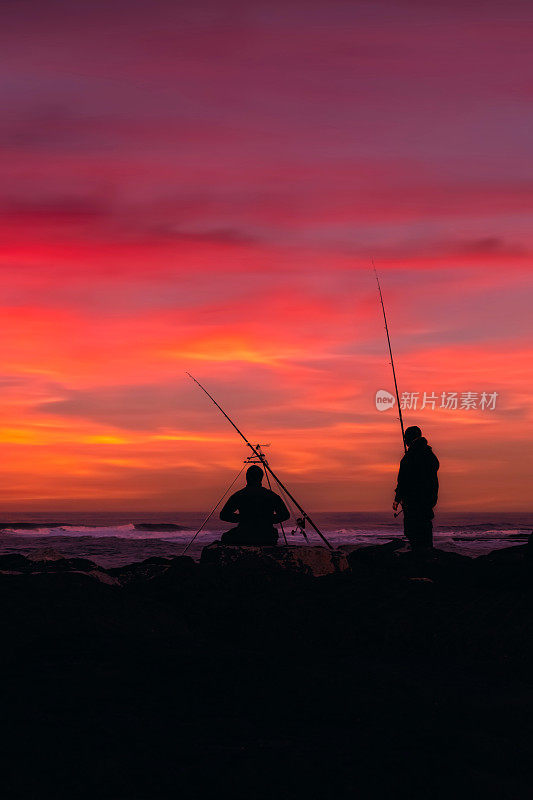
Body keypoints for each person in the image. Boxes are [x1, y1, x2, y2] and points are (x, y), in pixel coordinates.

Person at [393, 426, 439, 551]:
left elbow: (402, 481)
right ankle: (426, 554)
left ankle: (418, 556)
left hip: (413, 501)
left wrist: (397, 498)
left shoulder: (409, 458)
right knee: (425, 529)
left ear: (408, 439)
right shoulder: (429, 454)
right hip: (428, 499)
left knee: (413, 530)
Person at [219, 464, 290, 546]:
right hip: (267, 536)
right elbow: (285, 515)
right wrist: (267, 519)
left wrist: (243, 518)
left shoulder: (239, 495)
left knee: (225, 537)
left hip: (244, 535)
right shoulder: (272, 495)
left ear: (247, 478)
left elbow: (224, 515)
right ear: (261, 478)